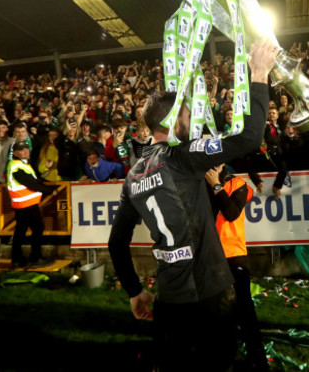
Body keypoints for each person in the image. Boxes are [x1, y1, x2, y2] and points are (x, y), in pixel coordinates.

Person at [108, 39, 276, 371]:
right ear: (172, 120)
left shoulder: (133, 176)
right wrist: (259, 74)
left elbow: (116, 243)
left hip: (169, 301)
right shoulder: (183, 155)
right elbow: (249, 138)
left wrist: (134, 290)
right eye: (186, 114)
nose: (190, 120)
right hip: (211, 295)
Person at [205, 163, 269, 371]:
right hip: (208, 256)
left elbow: (231, 213)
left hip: (234, 255)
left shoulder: (239, 184)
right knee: (214, 311)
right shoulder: (198, 183)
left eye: (217, 159)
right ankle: (223, 356)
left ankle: (258, 360)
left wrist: (216, 186)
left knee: (244, 309)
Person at [6, 140, 57, 269]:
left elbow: (32, 182)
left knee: (20, 231)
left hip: (22, 203)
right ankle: (35, 258)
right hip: (26, 204)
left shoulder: (19, 164)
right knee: (37, 228)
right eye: (21, 150)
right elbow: (32, 183)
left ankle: (17, 259)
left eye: (26, 148)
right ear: (16, 153)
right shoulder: (17, 166)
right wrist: (50, 191)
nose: (25, 151)